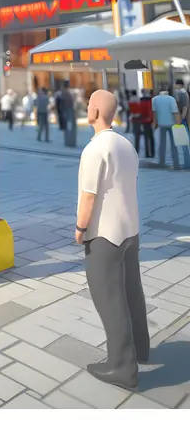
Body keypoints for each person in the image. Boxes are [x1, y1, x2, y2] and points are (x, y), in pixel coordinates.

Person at [76, 89, 149, 392]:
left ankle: (122, 367)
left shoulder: (95, 149)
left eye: (90, 103)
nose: (88, 107)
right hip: (130, 230)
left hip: (105, 235)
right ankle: (141, 349)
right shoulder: (125, 144)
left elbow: (89, 197)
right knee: (132, 292)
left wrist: (80, 229)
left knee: (110, 300)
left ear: (95, 110)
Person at [152, 85, 186, 170]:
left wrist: (155, 124)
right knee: (174, 145)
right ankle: (176, 164)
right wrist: (178, 124)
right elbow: (175, 112)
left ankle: (162, 162)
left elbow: (154, 113)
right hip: (172, 124)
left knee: (162, 144)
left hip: (161, 124)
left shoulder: (155, 100)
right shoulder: (171, 99)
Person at [138, 90, 155, 159]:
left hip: (144, 120)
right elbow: (152, 111)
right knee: (151, 137)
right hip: (149, 120)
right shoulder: (151, 101)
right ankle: (152, 153)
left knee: (146, 137)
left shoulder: (141, 101)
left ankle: (147, 153)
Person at [61, 80, 77, 147]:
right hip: (68, 111)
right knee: (70, 127)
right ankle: (70, 142)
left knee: (68, 127)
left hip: (66, 111)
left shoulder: (64, 92)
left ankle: (68, 141)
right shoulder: (66, 93)